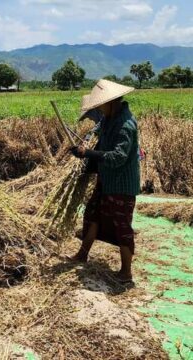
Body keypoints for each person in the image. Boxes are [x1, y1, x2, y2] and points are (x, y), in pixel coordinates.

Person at [71, 79, 140, 283]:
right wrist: (87, 160)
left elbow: (118, 157)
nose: (99, 108)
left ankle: (126, 272)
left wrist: (88, 153)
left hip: (121, 184)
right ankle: (82, 253)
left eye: (101, 104)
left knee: (122, 226)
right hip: (106, 179)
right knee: (93, 213)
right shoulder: (109, 119)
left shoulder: (126, 124)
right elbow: (100, 139)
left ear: (112, 102)